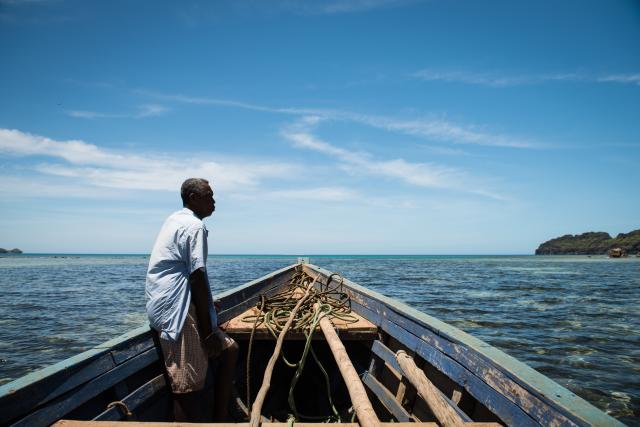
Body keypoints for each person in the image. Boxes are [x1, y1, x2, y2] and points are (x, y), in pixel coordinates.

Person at [145, 178, 239, 422]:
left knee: (230, 351)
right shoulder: (194, 226)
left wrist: (207, 306)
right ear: (193, 198)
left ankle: (221, 418)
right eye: (209, 196)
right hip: (176, 310)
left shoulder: (175, 219)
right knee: (186, 389)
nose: (214, 201)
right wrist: (209, 332)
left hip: (164, 304)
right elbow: (197, 275)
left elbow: (189, 275)